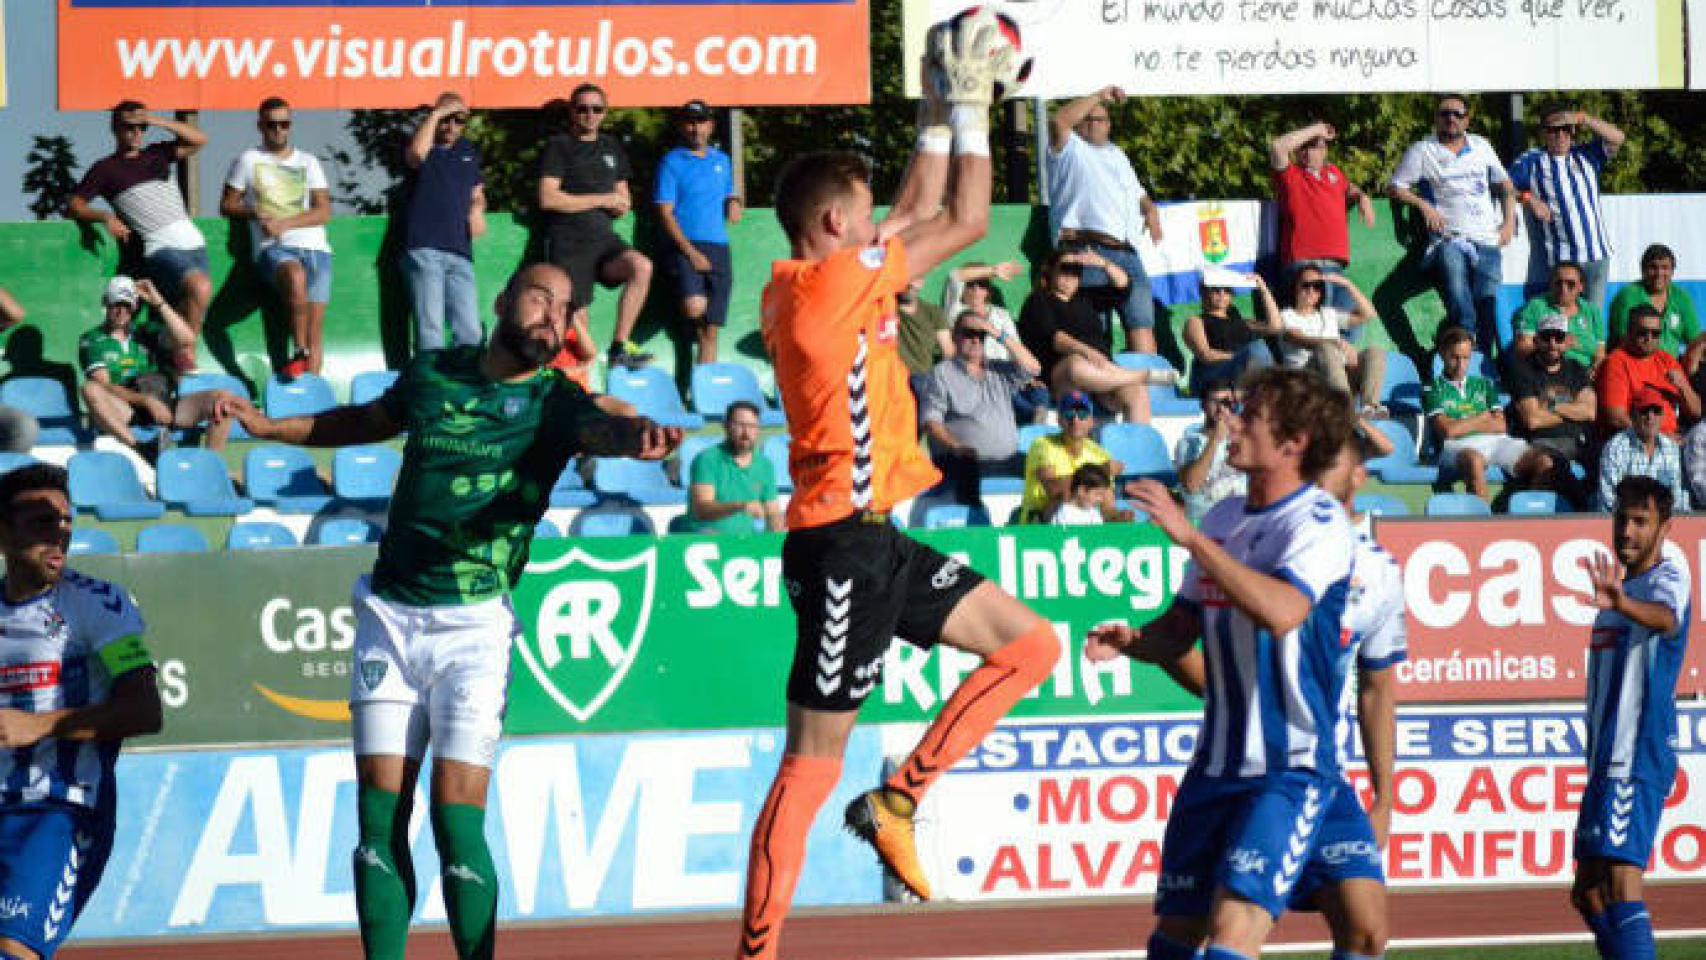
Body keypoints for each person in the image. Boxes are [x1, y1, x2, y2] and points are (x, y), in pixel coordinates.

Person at [226, 262, 681, 960]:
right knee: (379, 820)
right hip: (391, 612)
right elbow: (360, 420)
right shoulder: (433, 373)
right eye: (540, 298)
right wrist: (267, 426)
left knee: (455, 824)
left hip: (475, 626)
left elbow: (602, 430)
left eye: (564, 310)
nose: (551, 318)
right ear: (502, 300)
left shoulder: (557, 401)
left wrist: (636, 435)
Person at [737, 23, 1060, 958]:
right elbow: (959, 222)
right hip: (840, 543)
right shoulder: (830, 290)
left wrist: (931, 98)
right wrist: (971, 108)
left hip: (876, 536)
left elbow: (914, 203)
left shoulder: (813, 278)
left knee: (1030, 647)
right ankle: (755, 951)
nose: (882, 216)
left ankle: (898, 798)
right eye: (865, 209)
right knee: (807, 767)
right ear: (837, 225)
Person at [1082, 366, 1359, 960]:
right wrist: (1132, 641)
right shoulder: (1224, 518)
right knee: (1173, 942)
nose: (1230, 424)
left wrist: (1191, 540)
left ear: (1294, 443)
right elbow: (1182, 627)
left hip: (1287, 769)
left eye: (1250, 416)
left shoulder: (1317, 522)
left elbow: (1283, 611)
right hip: (1213, 766)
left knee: (1234, 936)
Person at [1126, 429, 1404, 960]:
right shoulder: (1253, 532)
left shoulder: (1380, 572)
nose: (1323, 465)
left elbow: (1378, 689)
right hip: (1251, 763)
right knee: (1202, 926)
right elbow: (1200, 647)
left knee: (1366, 928)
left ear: (1358, 474)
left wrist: (1385, 797)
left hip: (1315, 768)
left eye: (1336, 456)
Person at [0, 463, 163, 960]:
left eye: (67, 522)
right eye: (42, 523)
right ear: (3, 533)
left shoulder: (99, 606)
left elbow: (144, 709)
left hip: (58, 813)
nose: (60, 535)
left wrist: (41, 725)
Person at [1573, 475, 1690, 960]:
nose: (1627, 531)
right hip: (1606, 760)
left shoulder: (1667, 578)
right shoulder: (1619, 590)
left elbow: (1668, 619)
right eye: (1622, 519)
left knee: (1623, 884)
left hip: (1636, 753)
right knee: (1589, 892)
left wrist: (1622, 602)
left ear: (1665, 529)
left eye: (1641, 522)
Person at [68, 100, 210, 374]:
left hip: (194, 244)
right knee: (200, 288)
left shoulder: (158, 154)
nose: (135, 133)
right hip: (159, 246)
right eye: (128, 127)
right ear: (115, 128)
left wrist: (155, 120)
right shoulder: (105, 169)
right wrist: (106, 217)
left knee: (188, 307)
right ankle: (186, 356)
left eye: (140, 128)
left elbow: (200, 139)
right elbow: (74, 205)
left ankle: (176, 362)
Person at [1389, 94, 1518, 359]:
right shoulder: (1423, 150)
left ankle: (1485, 364)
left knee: (1487, 302)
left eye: (1457, 114)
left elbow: (1505, 184)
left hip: (1486, 239)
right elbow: (1395, 187)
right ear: (1436, 119)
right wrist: (1424, 206)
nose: (1450, 118)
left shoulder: (1481, 145)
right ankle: (1467, 340)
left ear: (1467, 120)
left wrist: (1509, 223)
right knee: (1453, 269)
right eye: (1444, 113)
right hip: (1448, 240)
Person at [537, 83, 654, 369]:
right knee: (578, 321)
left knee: (641, 266)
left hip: (605, 240)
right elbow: (548, 198)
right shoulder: (559, 146)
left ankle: (619, 347)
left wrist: (621, 203)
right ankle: (579, 384)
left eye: (596, 109)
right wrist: (601, 199)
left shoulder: (611, 146)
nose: (589, 114)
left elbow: (623, 194)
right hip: (569, 241)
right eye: (582, 109)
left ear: (604, 113)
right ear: (572, 112)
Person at [221, 96, 333, 380]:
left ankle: (310, 397)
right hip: (275, 249)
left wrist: (286, 223)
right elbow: (226, 205)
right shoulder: (248, 159)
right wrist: (253, 211)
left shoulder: (309, 161)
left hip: (316, 248)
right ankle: (299, 351)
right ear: (260, 126)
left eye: (284, 124)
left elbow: (323, 211)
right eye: (272, 125)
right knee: (294, 277)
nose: (279, 130)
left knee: (315, 331)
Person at [1046, 85, 1162, 355]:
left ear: (1109, 124)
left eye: (1100, 118)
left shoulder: (1118, 154)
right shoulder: (1069, 149)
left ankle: (1147, 393)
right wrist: (1097, 96)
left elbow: (1138, 193)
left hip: (1127, 252)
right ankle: (1098, 394)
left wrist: (1151, 210)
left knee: (1141, 324)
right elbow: (1058, 121)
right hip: (1087, 249)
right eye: (1088, 118)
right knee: (1092, 331)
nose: (1094, 124)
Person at [79, 276, 233, 455]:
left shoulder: (146, 331)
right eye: (116, 304)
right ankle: (141, 448)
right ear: (105, 303)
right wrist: (145, 401)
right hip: (126, 408)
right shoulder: (91, 339)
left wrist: (158, 302)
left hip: (164, 402)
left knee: (223, 400)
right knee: (90, 389)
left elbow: (187, 339)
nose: (122, 311)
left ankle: (211, 465)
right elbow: (104, 385)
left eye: (127, 305)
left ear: (135, 306)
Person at [1017, 249, 1163, 423]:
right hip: (1064, 375)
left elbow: (1123, 286)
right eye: (1065, 268)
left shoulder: (1086, 298)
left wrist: (1102, 263)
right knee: (1075, 364)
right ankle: (1141, 376)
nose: (1070, 275)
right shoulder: (1038, 301)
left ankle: (1140, 447)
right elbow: (1057, 339)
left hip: (1101, 373)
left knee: (1137, 392)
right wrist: (1087, 352)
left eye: (1076, 270)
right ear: (1051, 270)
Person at [920, 313, 1041, 506]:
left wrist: (995, 332)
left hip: (1008, 458)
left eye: (981, 335)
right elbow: (931, 422)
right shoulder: (940, 374)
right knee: (966, 473)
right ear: (954, 336)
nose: (976, 339)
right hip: (966, 460)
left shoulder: (999, 370)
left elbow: (1034, 368)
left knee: (1047, 471)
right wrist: (955, 446)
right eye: (969, 333)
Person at [1510, 105, 1624, 309]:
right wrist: (1529, 199)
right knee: (1563, 319)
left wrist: (1583, 118)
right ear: (1544, 133)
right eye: (1554, 130)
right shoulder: (1533, 160)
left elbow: (1617, 138)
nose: (1561, 135)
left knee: (1592, 320)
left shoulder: (1587, 155)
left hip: (1596, 255)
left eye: (1566, 129)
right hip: (1563, 261)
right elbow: (1502, 185)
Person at [655, 99, 741, 366]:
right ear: (683, 127)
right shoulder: (671, 162)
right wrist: (691, 253)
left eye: (701, 122)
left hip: (719, 246)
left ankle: (703, 393)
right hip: (685, 246)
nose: (696, 129)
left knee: (711, 330)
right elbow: (664, 212)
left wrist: (733, 202)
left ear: (711, 126)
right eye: (690, 123)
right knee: (695, 306)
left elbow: (730, 192)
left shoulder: (722, 161)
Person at [401, 92, 488, 353]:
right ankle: (432, 386)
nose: (451, 127)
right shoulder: (422, 144)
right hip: (425, 246)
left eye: (458, 121)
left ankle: (467, 383)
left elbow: (478, 194)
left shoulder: (468, 151)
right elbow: (415, 155)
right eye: (445, 119)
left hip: (460, 249)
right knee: (431, 328)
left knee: (470, 329)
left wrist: (477, 210)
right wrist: (437, 113)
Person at [1269, 121, 1377, 324]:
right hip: (1304, 265)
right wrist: (1317, 129)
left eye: (1315, 147)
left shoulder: (1333, 174)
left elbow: (1349, 188)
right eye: (1304, 147)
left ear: (1325, 151)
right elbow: (1277, 147)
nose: (1309, 153)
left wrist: (1362, 196)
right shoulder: (1290, 176)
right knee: (1319, 327)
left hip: (1336, 266)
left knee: (1352, 323)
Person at [1426, 326, 1532, 501]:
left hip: (1496, 442)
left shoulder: (1485, 385)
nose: (1461, 365)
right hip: (1457, 447)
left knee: (1542, 461)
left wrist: (1462, 422)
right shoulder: (1432, 389)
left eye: (1466, 358)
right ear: (1442, 354)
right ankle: (1484, 524)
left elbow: (1501, 425)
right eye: (1455, 358)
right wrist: (1482, 417)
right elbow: (1447, 431)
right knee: (1474, 461)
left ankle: (1530, 521)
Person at [1509, 313, 1598, 508]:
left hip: (1577, 442)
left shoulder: (1575, 369)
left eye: (1558, 337)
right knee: (1550, 464)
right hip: (1539, 443)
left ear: (1567, 342)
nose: (1552, 343)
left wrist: (1551, 406)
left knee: (1607, 457)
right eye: (1546, 337)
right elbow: (1532, 420)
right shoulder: (1523, 370)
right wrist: (1573, 411)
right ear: (1536, 340)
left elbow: (1590, 412)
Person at [943, 261, 1049, 422]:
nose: (977, 290)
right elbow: (954, 276)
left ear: (988, 291)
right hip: (978, 376)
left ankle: (1038, 415)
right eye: (971, 285)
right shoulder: (955, 311)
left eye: (982, 285)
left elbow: (1016, 348)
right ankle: (1033, 417)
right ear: (963, 289)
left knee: (1039, 390)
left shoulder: (1001, 315)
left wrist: (1027, 378)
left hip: (1007, 372)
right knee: (1009, 396)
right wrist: (993, 271)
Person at [1275, 266, 1387, 417]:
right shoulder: (1285, 316)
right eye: (1306, 285)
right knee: (1325, 349)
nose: (1311, 290)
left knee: (1374, 352)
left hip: (1338, 378)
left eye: (1317, 286)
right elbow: (1297, 338)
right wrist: (1336, 342)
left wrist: (1348, 285)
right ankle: (1345, 409)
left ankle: (1370, 406)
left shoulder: (1328, 314)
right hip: (1306, 381)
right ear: (1295, 287)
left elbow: (1368, 314)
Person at [1017, 391, 1126, 524]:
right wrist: (1099, 471)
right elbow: (1054, 490)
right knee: (1062, 499)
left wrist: (1118, 518)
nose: (1075, 420)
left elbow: (1106, 504)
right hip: (1040, 524)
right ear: (1059, 420)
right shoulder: (1042, 446)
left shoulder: (1099, 454)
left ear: (1091, 421)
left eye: (1082, 414)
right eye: (1069, 414)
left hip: (1081, 523)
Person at [1597, 304, 1701, 437]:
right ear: (1629, 332)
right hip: (1633, 441)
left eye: (1655, 333)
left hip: (1674, 437)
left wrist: (1683, 387)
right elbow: (1616, 418)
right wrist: (1660, 439)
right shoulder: (1616, 362)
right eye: (1642, 332)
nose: (1649, 338)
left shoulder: (1666, 360)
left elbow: (1696, 411)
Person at [687, 400, 783, 535]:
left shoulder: (765, 465)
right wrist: (740, 506)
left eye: (752, 426)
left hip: (747, 544)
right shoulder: (707, 460)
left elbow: (773, 512)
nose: (746, 433)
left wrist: (778, 531)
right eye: (740, 425)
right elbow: (702, 509)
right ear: (726, 427)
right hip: (708, 541)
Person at [1608, 245, 1704, 371]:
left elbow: (1694, 340)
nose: (1659, 273)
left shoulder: (1682, 298)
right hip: (1634, 364)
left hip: (1672, 367)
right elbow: (1624, 341)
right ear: (1643, 270)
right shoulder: (1627, 296)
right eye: (1653, 267)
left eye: (1665, 268)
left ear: (1672, 271)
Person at [1182, 273, 1279, 395]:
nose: (1222, 293)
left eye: (1226, 290)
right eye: (1216, 289)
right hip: (1212, 376)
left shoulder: (1242, 322)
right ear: (1203, 291)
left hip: (1243, 372)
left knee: (1260, 347)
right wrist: (1243, 358)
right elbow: (1205, 354)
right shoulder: (1195, 321)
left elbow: (1275, 327)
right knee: (1257, 349)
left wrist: (1263, 289)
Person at [1598, 387, 1690, 513]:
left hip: (1662, 523)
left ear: (1662, 416)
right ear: (1632, 415)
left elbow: (1677, 498)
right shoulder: (1615, 448)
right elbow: (1609, 500)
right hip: (1624, 523)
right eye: (1644, 410)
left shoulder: (1671, 448)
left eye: (1656, 411)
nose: (1650, 416)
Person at [1512, 260, 1606, 373]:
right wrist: (1552, 345)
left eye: (1570, 284)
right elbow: (1521, 350)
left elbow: (1600, 353)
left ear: (1581, 287)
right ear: (1551, 284)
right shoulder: (1535, 307)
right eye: (1558, 283)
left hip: (1585, 375)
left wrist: (1595, 369)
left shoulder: (1592, 311)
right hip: (1546, 372)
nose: (1563, 289)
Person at [1175, 379, 1246, 523]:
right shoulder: (1189, 442)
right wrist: (1214, 441)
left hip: (1239, 518)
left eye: (1226, 403)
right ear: (1203, 405)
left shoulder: (1244, 439)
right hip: (1203, 519)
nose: (1221, 409)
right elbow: (1191, 485)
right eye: (1215, 402)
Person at [897, 276, 952, 396]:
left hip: (924, 384)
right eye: (907, 278)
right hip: (893, 383)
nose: (910, 284)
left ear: (922, 282)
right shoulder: (883, 309)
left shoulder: (933, 312)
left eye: (916, 279)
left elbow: (947, 351)